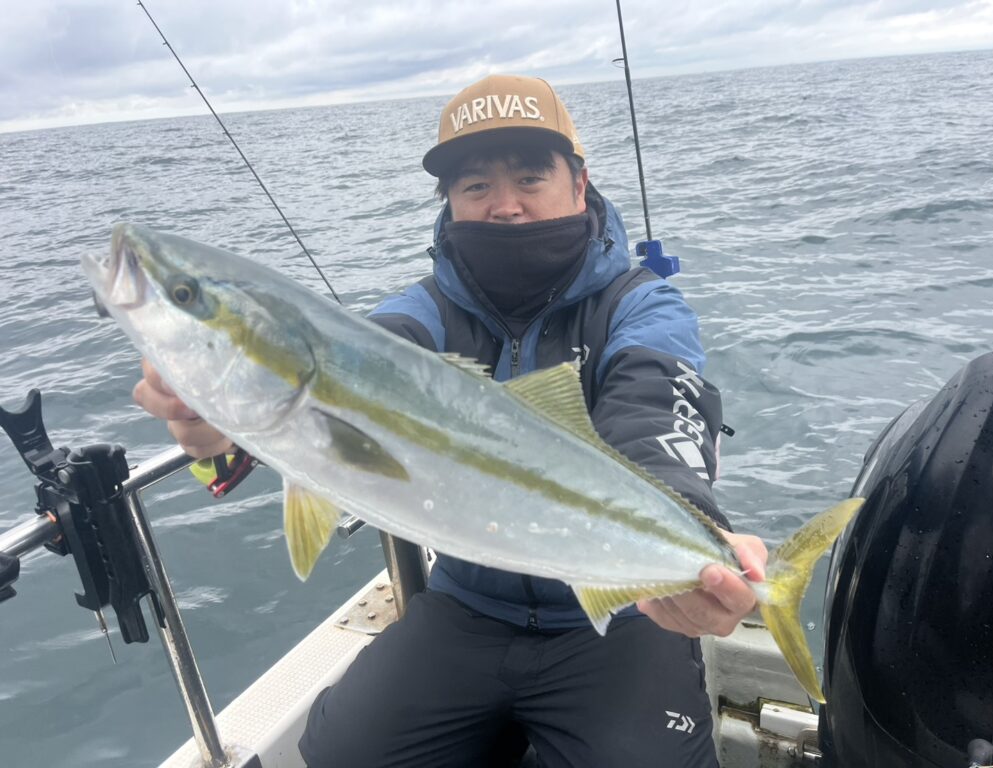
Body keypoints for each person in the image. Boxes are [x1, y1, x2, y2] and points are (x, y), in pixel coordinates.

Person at [134, 74, 767, 767]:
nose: (506, 205)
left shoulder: (640, 306)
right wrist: (216, 436)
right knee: (342, 751)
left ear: (580, 184)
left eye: (530, 178)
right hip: (468, 604)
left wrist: (694, 534)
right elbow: (343, 382)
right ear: (449, 202)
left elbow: (658, 414)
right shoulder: (419, 315)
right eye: (476, 186)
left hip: (619, 612)